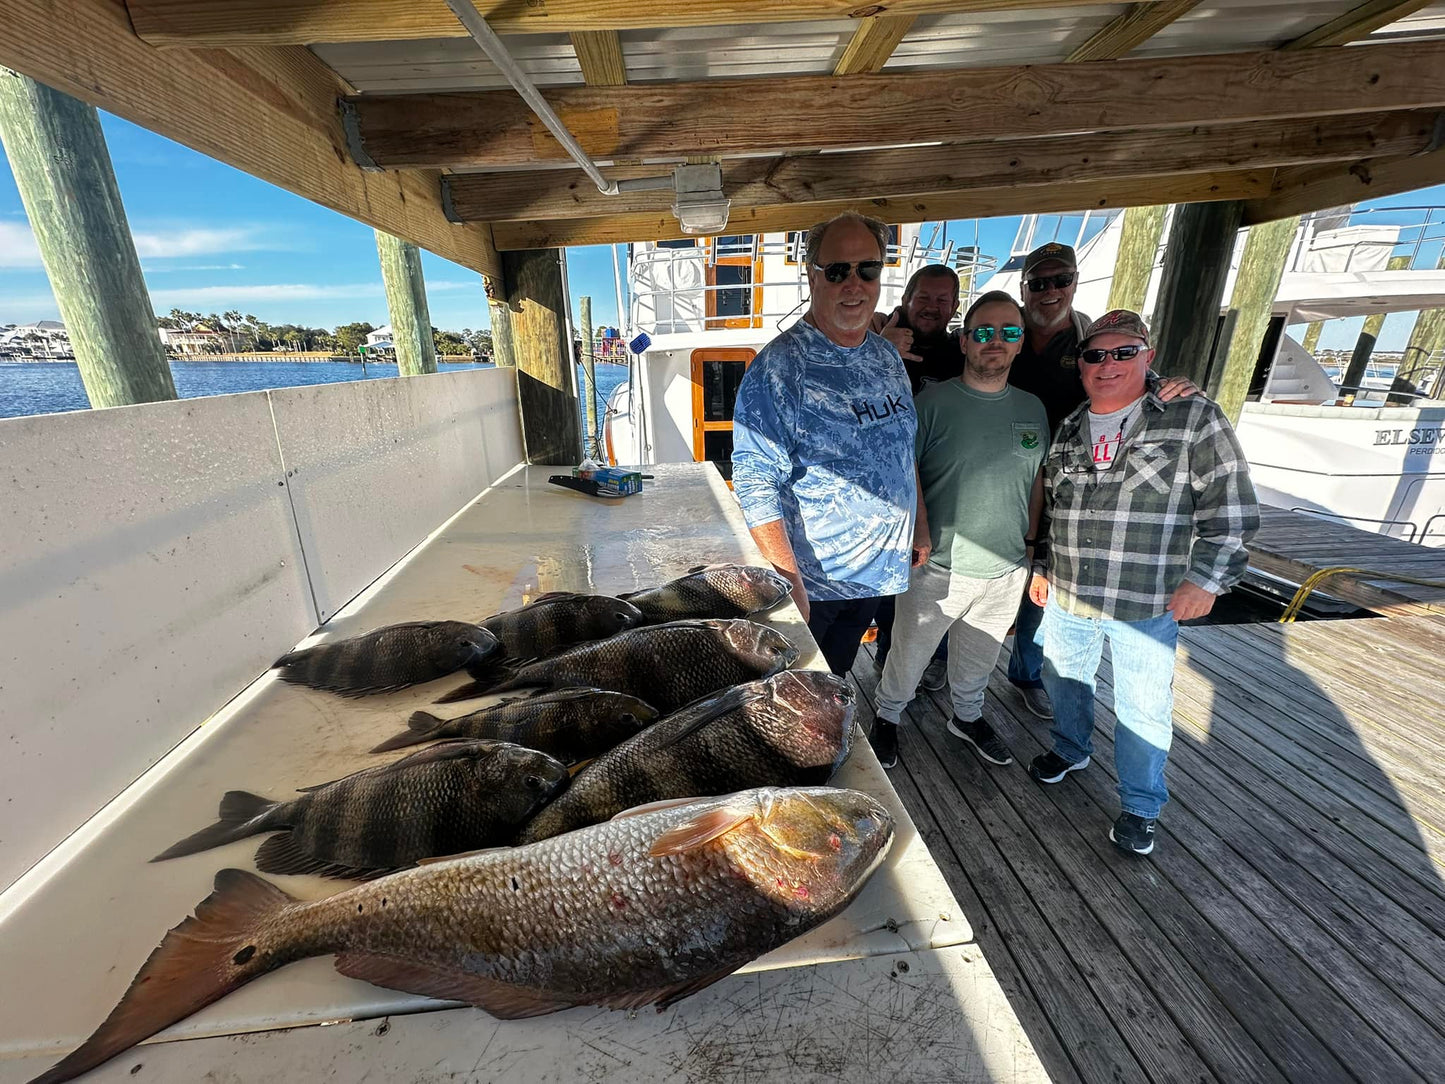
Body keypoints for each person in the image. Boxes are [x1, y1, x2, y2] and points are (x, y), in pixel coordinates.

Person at [1026, 310, 1259, 857]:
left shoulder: (1193, 415)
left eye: (1123, 352)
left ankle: (1140, 804)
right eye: (1094, 354)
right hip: (1068, 590)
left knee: (1143, 707)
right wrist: (1041, 566)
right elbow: (1055, 508)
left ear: (1147, 356)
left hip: (1146, 598)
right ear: (1081, 365)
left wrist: (1207, 580)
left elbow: (1232, 506)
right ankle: (1070, 748)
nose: (1107, 364)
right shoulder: (1070, 425)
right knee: (1062, 679)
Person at [1004, 242, 1198, 721]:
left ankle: (1027, 673)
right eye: (1039, 282)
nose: (1050, 291)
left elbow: (1130, 372)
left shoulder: (1092, 339)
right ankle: (943, 665)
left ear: (1074, 283)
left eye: (1060, 280)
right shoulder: (1007, 332)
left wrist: (1171, 386)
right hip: (1002, 474)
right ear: (1024, 288)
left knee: (1041, 582)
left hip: (1069, 477)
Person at [731, 212, 916, 677]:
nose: (853, 284)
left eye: (866, 269)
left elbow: (899, 446)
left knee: (839, 679)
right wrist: (789, 581)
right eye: (837, 271)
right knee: (803, 697)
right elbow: (754, 480)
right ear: (813, 275)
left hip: (876, 576)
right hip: (817, 586)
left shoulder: (886, 355)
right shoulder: (780, 367)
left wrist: (921, 526)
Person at [868, 291, 1047, 770]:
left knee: (980, 660)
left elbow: (1035, 484)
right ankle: (887, 717)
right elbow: (903, 470)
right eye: (983, 332)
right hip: (938, 566)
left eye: (1008, 332)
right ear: (965, 342)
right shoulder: (931, 402)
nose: (995, 341)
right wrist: (921, 530)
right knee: (908, 656)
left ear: (1020, 342)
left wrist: (1030, 548)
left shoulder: (1034, 408)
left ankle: (967, 717)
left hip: (1007, 567)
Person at [869, 264, 965, 694]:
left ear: (955, 306)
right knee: (889, 583)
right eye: (924, 297)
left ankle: (931, 660)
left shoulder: (959, 352)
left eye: (943, 300)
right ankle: (887, 656)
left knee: (935, 580)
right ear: (906, 297)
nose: (932, 307)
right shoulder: (874, 334)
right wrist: (878, 348)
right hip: (879, 490)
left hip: (940, 485)